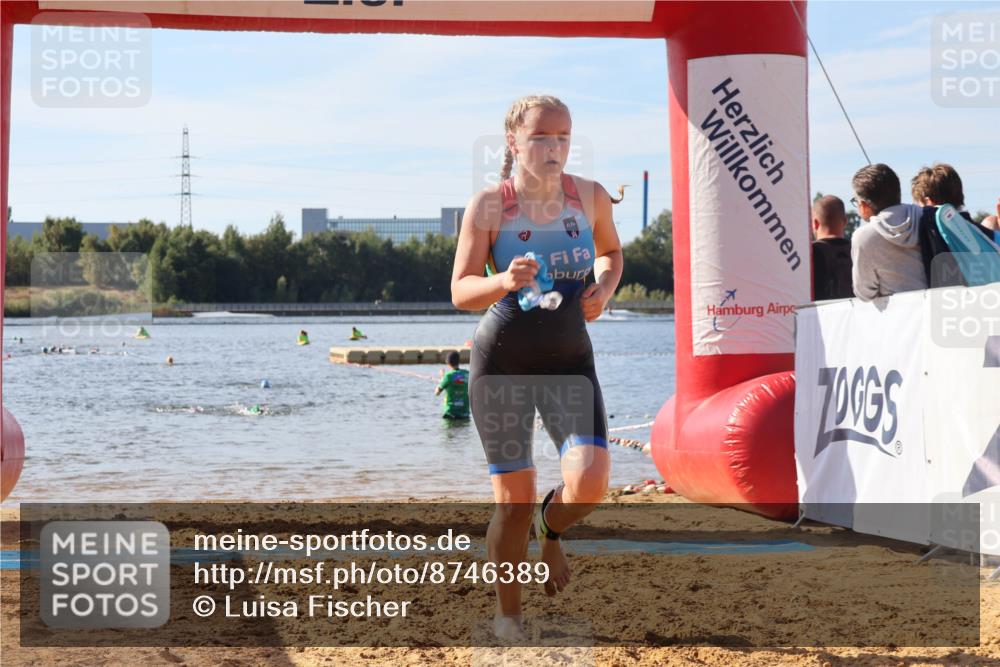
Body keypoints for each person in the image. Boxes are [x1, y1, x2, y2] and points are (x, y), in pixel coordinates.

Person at [450, 94, 623, 640]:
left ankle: (552, 530)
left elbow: (612, 254)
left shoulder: (590, 197)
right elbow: (460, 290)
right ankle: (509, 617)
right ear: (513, 141)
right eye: (542, 137)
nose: (555, 148)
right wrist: (503, 281)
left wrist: (605, 287)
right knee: (513, 502)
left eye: (564, 137)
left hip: (570, 362)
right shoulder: (488, 206)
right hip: (502, 364)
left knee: (591, 485)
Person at [850, 164, 928, 301]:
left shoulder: (864, 237)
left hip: (897, 317)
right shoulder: (927, 217)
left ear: (863, 205)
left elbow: (864, 292)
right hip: (939, 310)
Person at [810, 195, 853, 300]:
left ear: (815, 223)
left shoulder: (809, 254)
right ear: (845, 222)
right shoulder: (858, 250)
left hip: (818, 315)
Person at [434, 351, 470, 420]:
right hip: (464, 413)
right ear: (458, 361)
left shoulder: (448, 376)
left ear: (448, 362)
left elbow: (437, 393)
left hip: (451, 414)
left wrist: (442, 378)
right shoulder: (467, 374)